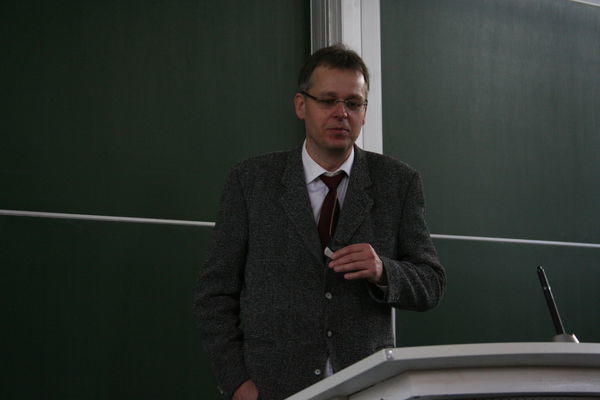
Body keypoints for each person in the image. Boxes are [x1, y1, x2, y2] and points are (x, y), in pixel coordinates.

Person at [194, 44, 445, 400]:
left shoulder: (398, 182)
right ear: (301, 105)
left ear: (364, 112)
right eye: (328, 101)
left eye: (353, 103)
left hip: (367, 387)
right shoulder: (251, 181)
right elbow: (215, 294)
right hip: (273, 388)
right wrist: (236, 382)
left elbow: (431, 283)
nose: (341, 113)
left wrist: (383, 270)